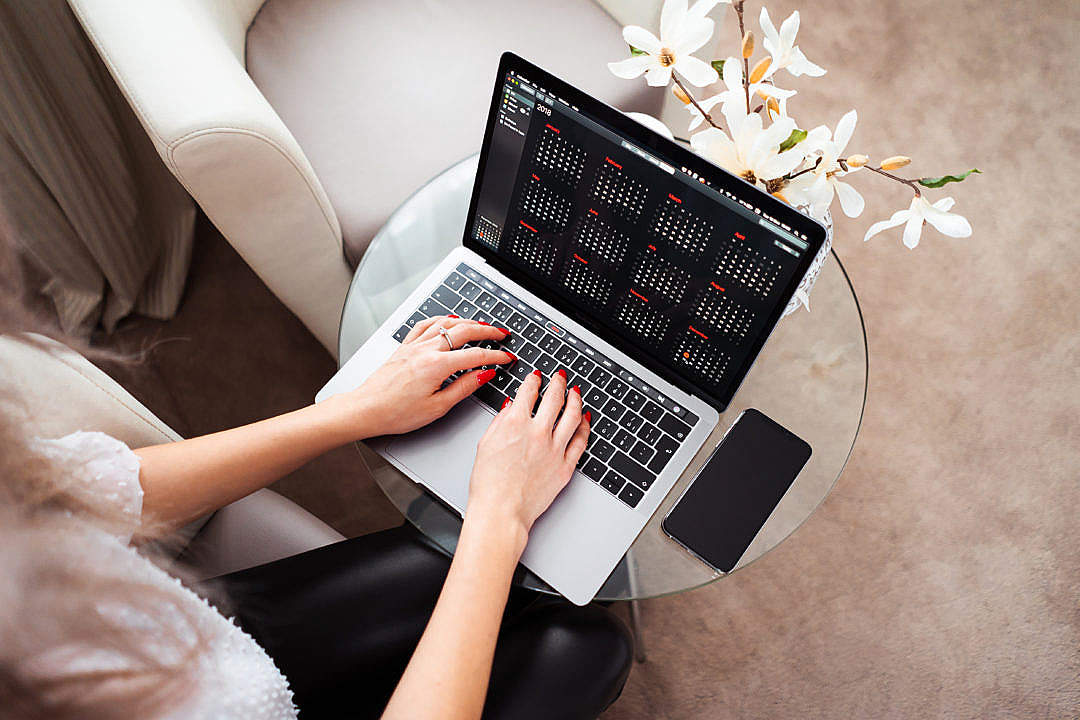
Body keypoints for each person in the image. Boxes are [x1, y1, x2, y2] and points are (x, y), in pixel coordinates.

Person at [0, 241, 632, 718]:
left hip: (211, 644)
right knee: (584, 644)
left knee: (508, 570)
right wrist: (500, 518)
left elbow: (92, 492)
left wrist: (353, 410)